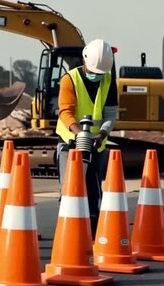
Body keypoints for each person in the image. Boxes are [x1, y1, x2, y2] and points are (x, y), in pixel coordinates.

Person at [55, 38, 118, 236]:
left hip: (97, 145)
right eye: (93, 73)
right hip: (70, 142)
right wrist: (79, 133)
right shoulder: (69, 79)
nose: (96, 76)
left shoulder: (108, 80)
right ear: (84, 62)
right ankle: (68, 230)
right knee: (70, 187)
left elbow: (110, 114)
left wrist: (101, 134)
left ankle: (92, 227)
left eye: (100, 74)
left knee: (93, 187)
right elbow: (65, 111)